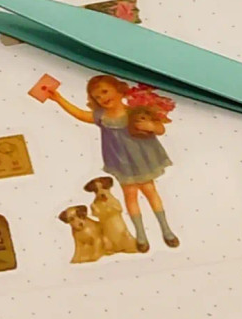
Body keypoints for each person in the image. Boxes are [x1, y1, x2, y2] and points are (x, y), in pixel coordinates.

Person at [47, 74, 179, 251]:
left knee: (150, 191)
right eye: (97, 97)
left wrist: (152, 126)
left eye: (105, 92)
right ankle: (140, 234)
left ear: (119, 90)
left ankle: (166, 229)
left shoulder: (134, 112)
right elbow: (80, 114)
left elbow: (160, 128)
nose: (102, 98)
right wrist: (58, 99)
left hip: (143, 159)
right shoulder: (101, 116)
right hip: (122, 163)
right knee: (130, 195)